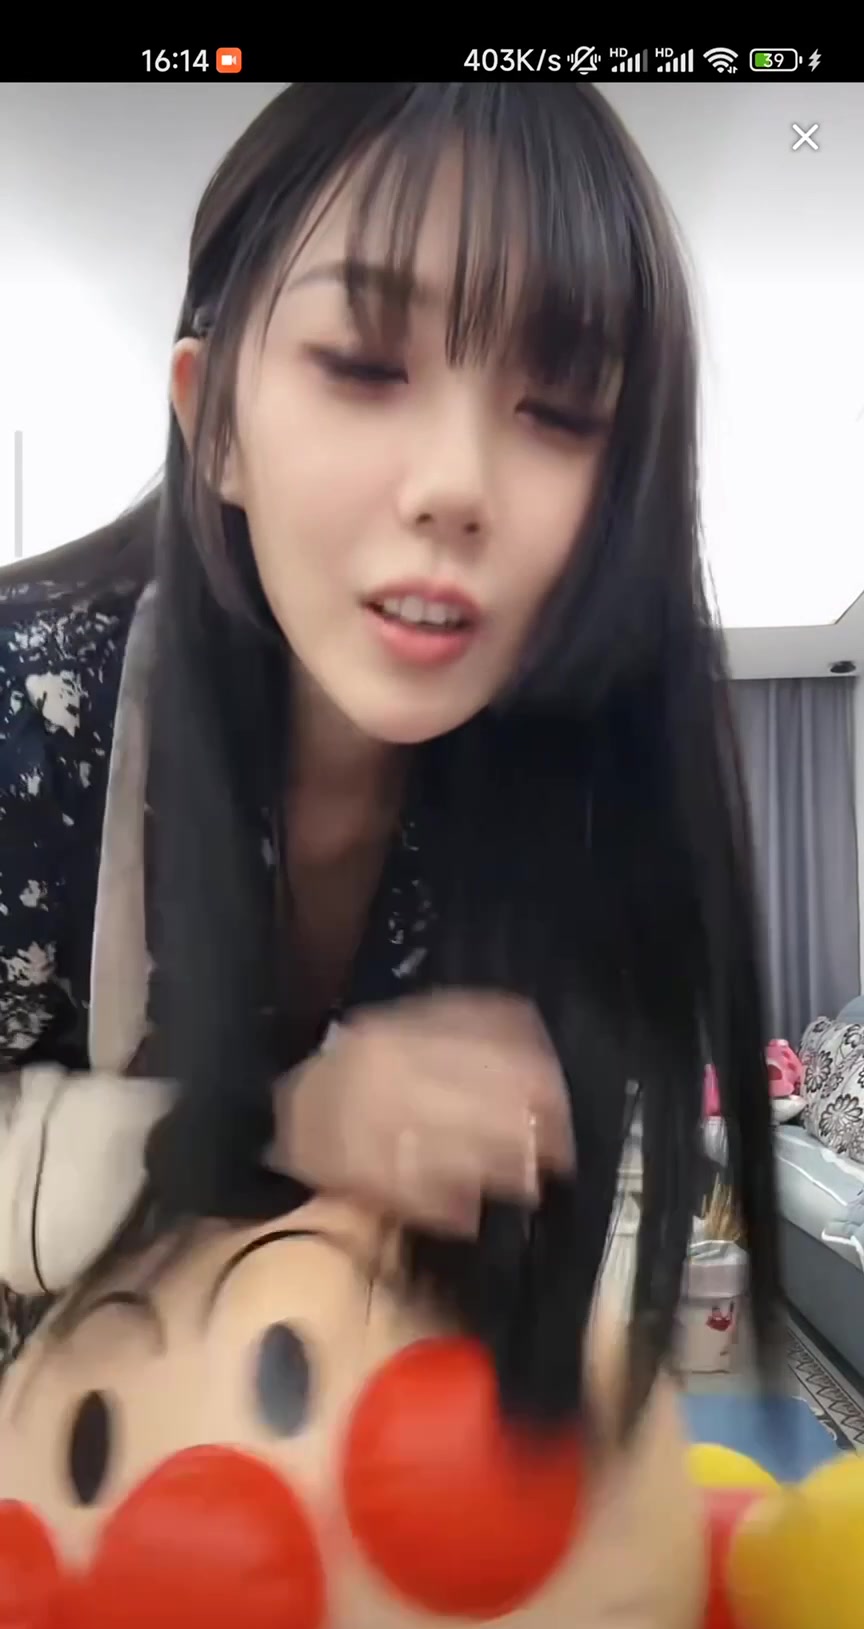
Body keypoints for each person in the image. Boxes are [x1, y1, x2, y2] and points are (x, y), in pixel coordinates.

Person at [0, 81, 780, 1424]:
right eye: (364, 366)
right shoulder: (33, 717)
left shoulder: (577, 784)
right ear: (214, 422)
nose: (457, 485)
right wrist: (284, 1126)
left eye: (560, 408)